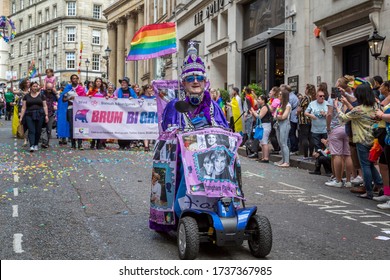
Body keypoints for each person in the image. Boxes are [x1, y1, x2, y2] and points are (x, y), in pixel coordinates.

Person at [338, 84, 383, 199]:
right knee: (371, 164)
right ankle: (380, 185)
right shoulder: (376, 105)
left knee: (365, 166)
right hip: (375, 139)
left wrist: (338, 108)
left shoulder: (359, 109)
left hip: (362, 140)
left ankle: (369, 191)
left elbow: (344, 118)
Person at [19, 81, 49, 152]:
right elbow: (23, 107)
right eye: (34, 86)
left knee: (38, 130)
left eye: (36, 86)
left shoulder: (42, 95)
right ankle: (32, 145)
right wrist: (21, 117)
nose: (35, 88)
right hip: (29, 115)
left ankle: (36, 144)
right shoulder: (26, 96)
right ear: (31, 87)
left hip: (40, 114)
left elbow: (45, 106)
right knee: (31, 130)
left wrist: (46, 115)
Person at [62, 74, 86, 150]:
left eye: (76, 78)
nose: (74, 80)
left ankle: (80, 144)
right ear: (71, 80)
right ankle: (73, 143)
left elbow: (84, 99)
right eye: (73, 78)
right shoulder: (68, 88)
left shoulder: (81, 89)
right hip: (70, 108)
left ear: (78, 80)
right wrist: (69, 98)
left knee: (80, 126)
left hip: (79, 109)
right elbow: (63, 100)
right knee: (72, 126)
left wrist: (77, 98)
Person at [115, 77, 137, 149]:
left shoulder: (131, 91)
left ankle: (127, 144)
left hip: (128, 112)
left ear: (127, 84)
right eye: (122, 82)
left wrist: (132, 99)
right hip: (121, 112)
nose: (122, 84)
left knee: (128, 128)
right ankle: (121, 145)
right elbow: (114, 97)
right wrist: (114, 98)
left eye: (124, 82)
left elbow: (136, 98)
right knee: (120, 128)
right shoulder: (118, 90)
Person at [249, 95, 273, 162]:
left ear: (263, 100)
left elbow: (259, 117)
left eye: (259, 99)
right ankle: (263, 157)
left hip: (265, 125)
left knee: (264, 142)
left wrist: (254, 112)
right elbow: (256, 118)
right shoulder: (262, 107)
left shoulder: (265, 107)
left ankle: (266, 158)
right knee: (262, 142)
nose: (258, 100)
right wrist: (253, 113)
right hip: (262, 125)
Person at [305, 86, 328, 151]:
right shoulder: (312, 104)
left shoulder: (327, 103)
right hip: (315, 130)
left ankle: (324, 160)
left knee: (325, 147)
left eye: (323, 96)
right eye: (320, 96)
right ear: (316, 96)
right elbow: (306, 112)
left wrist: (325, 114)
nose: (322, 97)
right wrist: (311, 115)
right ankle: (318, 160)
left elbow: (331, 115)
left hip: (325, 129)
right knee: (317, 147)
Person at [274, 86, 292, 167]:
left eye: (280, 94)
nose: (279, 96)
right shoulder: (280, 105)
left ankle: (287, 162)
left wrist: (277, 116)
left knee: (284, 143)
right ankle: (283, 159)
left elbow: (284, 116)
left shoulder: (288, 105)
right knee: (280, 142)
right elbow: (275, 115)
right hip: (278, 123)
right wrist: (278, 116)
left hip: (285, 124)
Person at [297, 84, 315, 159]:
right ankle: (311, 154)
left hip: (304, 119)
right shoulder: (314, 98)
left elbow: (299, 108)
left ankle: (305, 155)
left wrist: (297, 113)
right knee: (311, 137)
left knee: (304, 137)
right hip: (312, 120)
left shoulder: (305, 98)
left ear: (307, 90)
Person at [87, 77, 106, 149]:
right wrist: (89, 96)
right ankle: (92, 142)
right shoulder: (91, 89)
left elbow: (106, 98)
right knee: (93, 127)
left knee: (99, 127)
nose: (98, 83)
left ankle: (99, 143)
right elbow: (87, 97)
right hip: (93, 111)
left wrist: (107, 98)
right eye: (97, 81)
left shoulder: (103, 91)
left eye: (99, 81)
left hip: (100, 111)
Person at [40, 82, 58, 148]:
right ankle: (44, 141)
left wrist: (55, 92)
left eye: (51, 89)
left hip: (51, 113)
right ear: (46, 88)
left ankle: (46, 143)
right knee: (43, 129)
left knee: (49, 129)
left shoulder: (53, 95)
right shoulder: (42, 94)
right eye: (48, 89)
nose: (49, 90)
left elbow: (59, 100)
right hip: (42, 113)